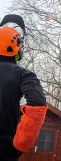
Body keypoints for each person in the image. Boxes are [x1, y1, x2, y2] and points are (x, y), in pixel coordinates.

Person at [0, 14, 47, 161]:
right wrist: (20, 143)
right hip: (4, 150)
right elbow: (37, 103)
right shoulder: (23, 75)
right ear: (17, 48)